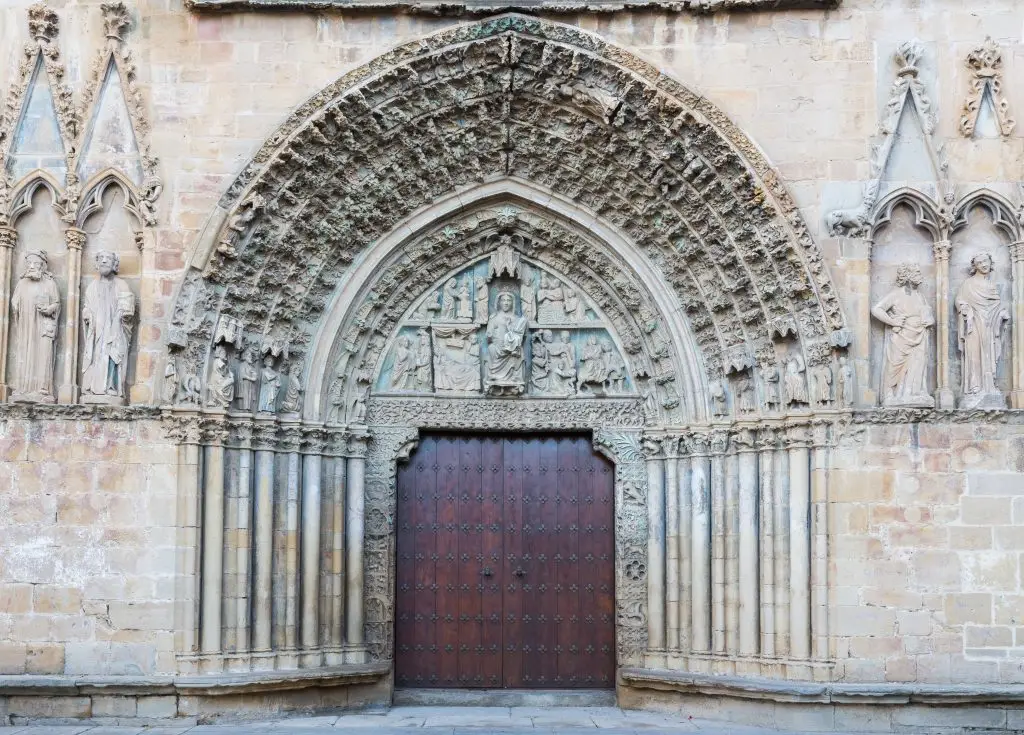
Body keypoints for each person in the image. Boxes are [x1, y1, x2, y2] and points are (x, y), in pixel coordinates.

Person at [871, 262, 935, 407]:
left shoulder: (920, 296)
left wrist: (930, 320)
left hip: (920, 335)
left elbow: (926, 313)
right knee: (895, 365)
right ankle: (890, 394)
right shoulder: (896, 295)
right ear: (908, 276)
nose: (920, 276)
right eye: (917, 273)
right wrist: (892, 322)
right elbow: (877, 309)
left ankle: (913, 393)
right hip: (902, 336)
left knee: (918, 363)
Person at [955, 253, 1010, 407]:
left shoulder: (991, 286)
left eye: (986, 261)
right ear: (975, 267)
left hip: (990, 327)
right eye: (980, 263)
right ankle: (975, 388)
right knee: (974, 354)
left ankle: (990, 386)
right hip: (974, 325)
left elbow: (996, 307)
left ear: (990, 263)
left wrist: (1001, 314)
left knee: (990, 355)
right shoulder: (968, 284)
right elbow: (959, 301)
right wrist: (965, 308)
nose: (984, 264)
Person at [81, 250, 134, 399]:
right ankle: (93, 387)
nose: (104, 261)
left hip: (115, 329)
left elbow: (127, 308)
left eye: (108, 258)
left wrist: (124, 315)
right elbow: (87, 306)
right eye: (101, 258)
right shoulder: (92, 287)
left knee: (112, 353)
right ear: (96, 263)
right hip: (97, 330)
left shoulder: (122, 285)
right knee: (97, 355)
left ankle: (111, 386)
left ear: (115, 264)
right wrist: (87, 314)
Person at [9, 250, 60, 402]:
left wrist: (49, 309)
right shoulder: (21, 283)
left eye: (36, 263)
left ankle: (42, 389)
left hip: (43, 326)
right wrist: (16, 306)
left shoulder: (50, 284)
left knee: (43, 354)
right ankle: (23, 388)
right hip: (26, 327)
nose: (32, 266)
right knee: (25, 354)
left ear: (43, 266)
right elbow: (14, 302)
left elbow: (56, 304)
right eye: (29, 263)